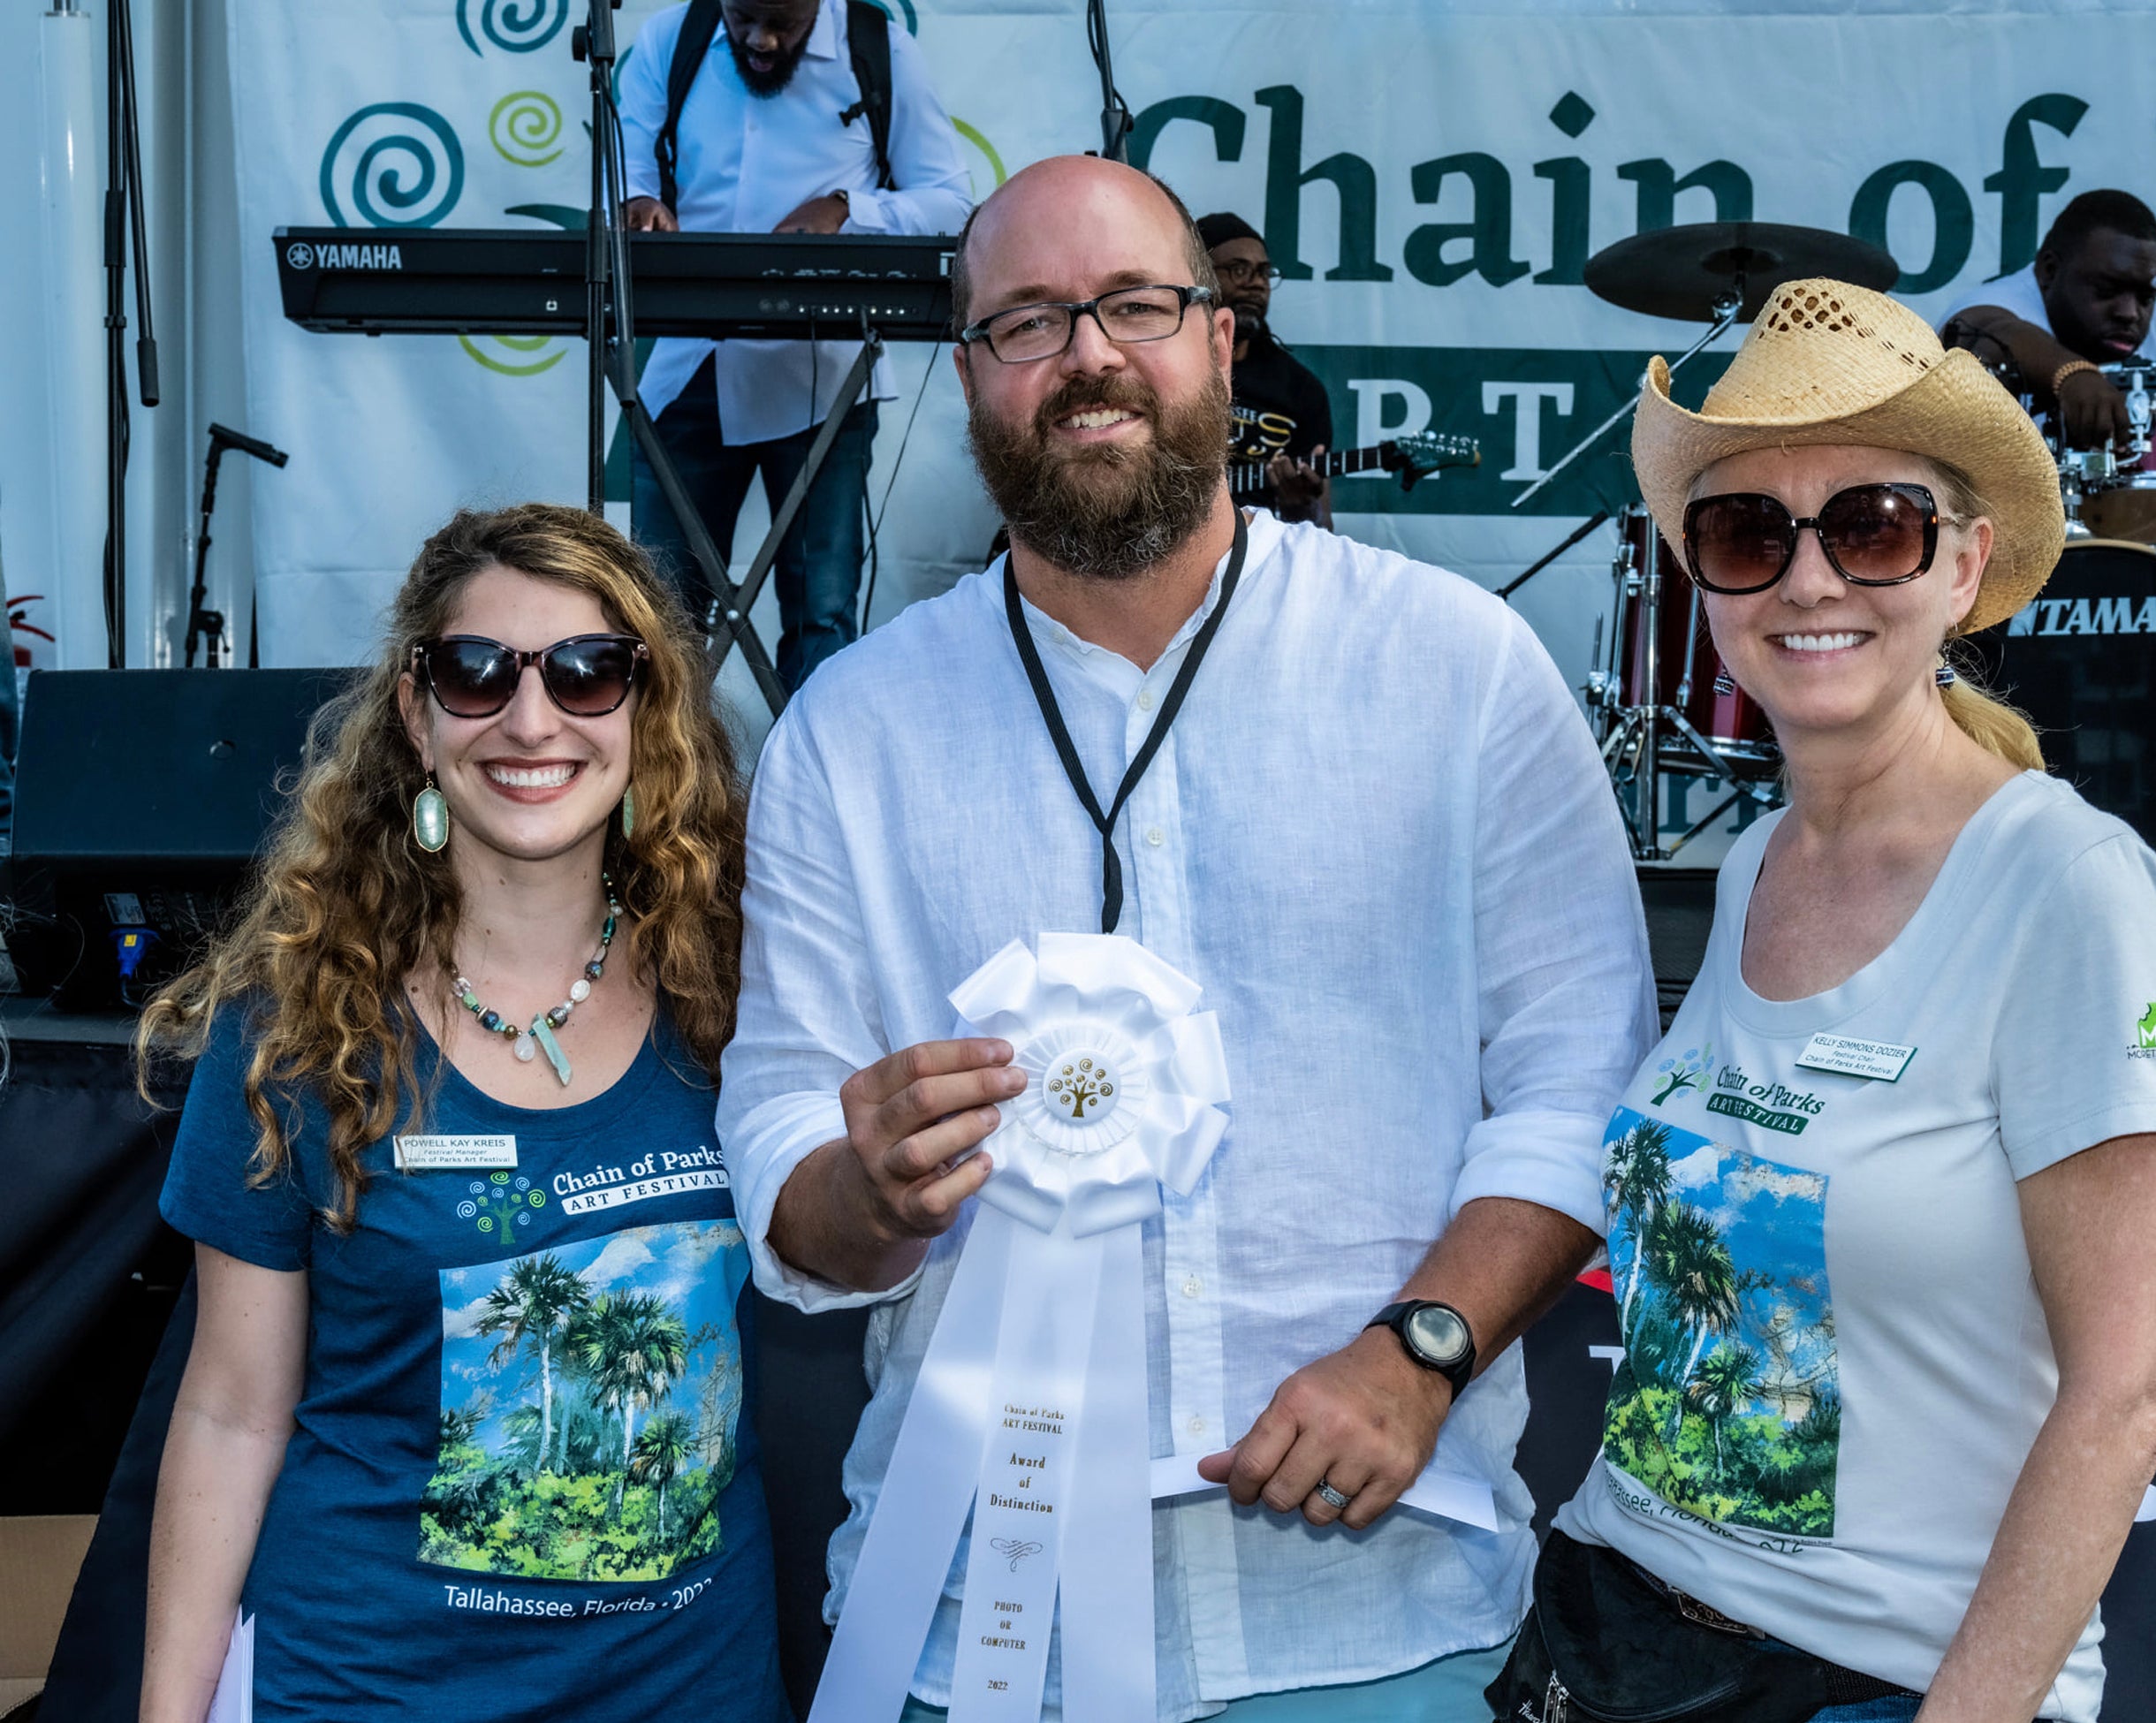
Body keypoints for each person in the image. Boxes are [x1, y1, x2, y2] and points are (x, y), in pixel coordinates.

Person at [724, 156, 1658, 1719]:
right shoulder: (848, 736)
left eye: (1134, 306)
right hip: (973, 1636)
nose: (1086, 353)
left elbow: (1584, 1086)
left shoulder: (1461, 672)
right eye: (1025, 320)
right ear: (969, 378)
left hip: (1383, 1629)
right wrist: (860, 1187)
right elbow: (777, 1142)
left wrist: (1417, 1351)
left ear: (1223, 340)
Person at [1511, 277, 2156, 1723]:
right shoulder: (1764, 850)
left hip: (1881, 1685)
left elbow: (2131, 1393)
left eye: (1872, 526)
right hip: (1621, 1632)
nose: (1810, 583)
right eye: (1749, 532)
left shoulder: (2068, 885)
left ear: (1965, 566)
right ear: (1700, 579)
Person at [136, 505, 774, 1722]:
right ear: (418, 719)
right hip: (367, 1686)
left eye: (588, 673)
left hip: (685, 1691)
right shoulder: (297, 1020)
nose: (532, 720)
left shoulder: (746, 988)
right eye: (479, 673)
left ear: (647, 716)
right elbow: (228, 1409)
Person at [612, 0, 975, 690]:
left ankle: (812, 790)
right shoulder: (671, 37)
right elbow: (624, 165)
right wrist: (635, 200)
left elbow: (952, 202)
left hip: (825, 379)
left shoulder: (879, 46)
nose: (762, 40)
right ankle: (663, 796)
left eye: (783, 21)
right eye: (743, 18)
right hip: (693, 364)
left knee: (822, 616)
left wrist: (847, 208)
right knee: (656, 621)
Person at [1943, 189, 2156, 451]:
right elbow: (1985, 331)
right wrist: (2073, 374)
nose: (2130, 312)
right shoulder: (2002, 300)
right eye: (2107, 290)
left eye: (2146, 297)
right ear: (2049, 271)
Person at [1196, 212, 1339, 528]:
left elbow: (1321, 527)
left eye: (1263, 273)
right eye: (1238, 270)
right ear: (1198, 275)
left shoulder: (1301, 389)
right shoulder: (1165, 368)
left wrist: (1300, 508)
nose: (1257, 285)